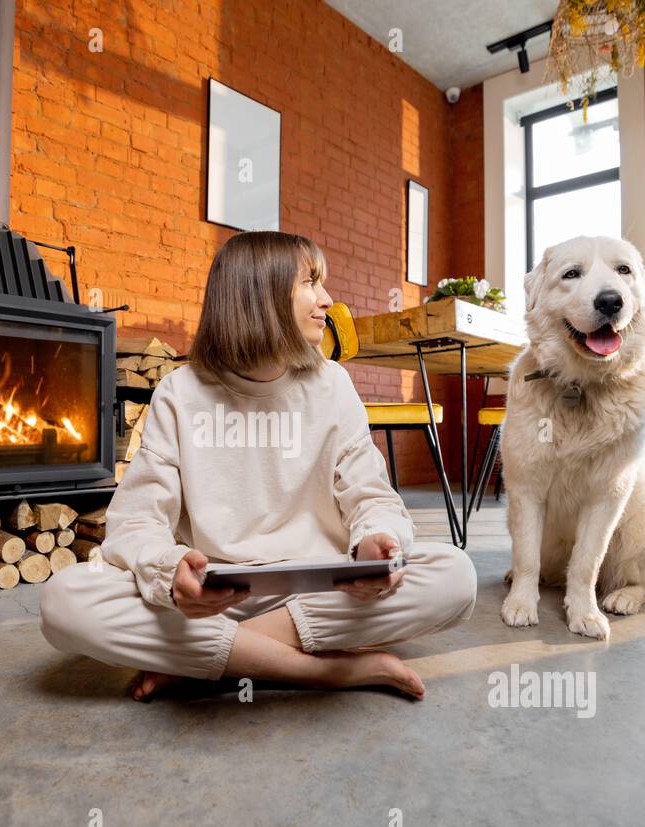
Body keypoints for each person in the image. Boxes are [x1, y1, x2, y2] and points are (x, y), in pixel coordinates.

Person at [41, 231, 476, 701]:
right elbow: (138, 520)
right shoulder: (180, 391)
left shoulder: (333, 385)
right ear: (259, 293)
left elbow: (371, 495)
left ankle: (211, 664)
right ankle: (326, 672)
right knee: (65, 600)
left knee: (454, 575)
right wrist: (170, 571)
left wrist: (375, 541)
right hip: (210, 601)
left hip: (318, 589)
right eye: (311, 282)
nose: (327, 300)